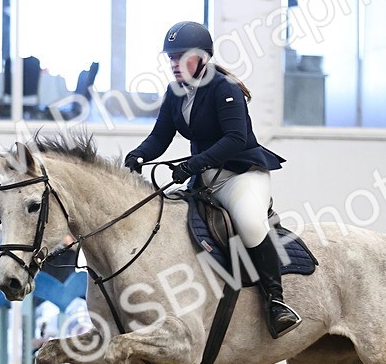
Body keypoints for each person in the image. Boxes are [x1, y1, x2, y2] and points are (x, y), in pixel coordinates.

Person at [123, 21, 300, 339]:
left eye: (180, 57)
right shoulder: (176, 92)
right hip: (203, 180)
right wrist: (137, 156)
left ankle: (276, 302)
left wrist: (193, 165)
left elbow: (236, 138)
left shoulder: (224, 88)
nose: (174, 64)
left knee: (249, 222)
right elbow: (160, 136)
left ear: (202, 57)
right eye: (171, 58)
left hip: (239, 176)